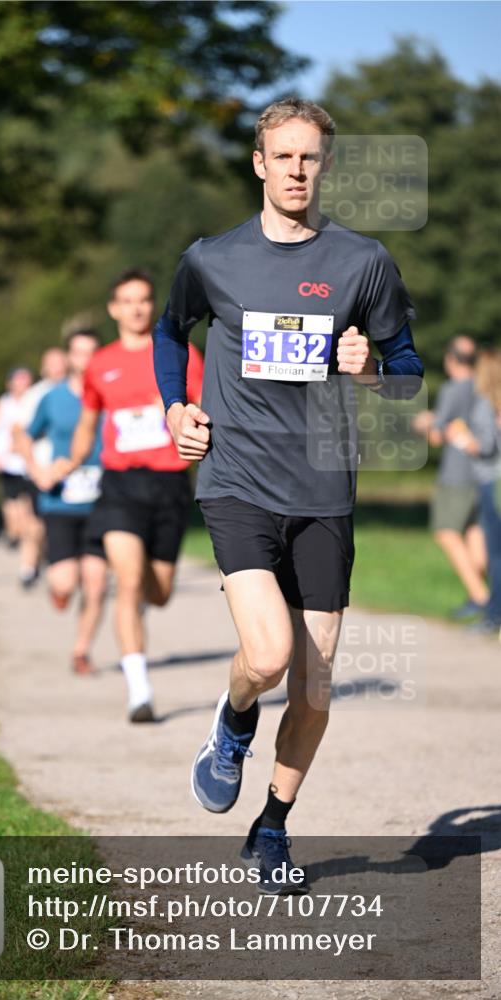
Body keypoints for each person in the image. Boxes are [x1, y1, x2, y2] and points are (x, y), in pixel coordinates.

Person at [154, 98, 424, 893]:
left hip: (323, 490)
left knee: (313, 682)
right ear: (259, 163)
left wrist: (370, 371)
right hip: (236, 480)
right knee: (268, 656)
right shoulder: (212, 258)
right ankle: (234, 719)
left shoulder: (362, 261)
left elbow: (408, 370)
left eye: (309, 157)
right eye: (283, 156)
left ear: (324, 166)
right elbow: (171, 331)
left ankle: (270, 827)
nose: (296, 170)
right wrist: (175, 407)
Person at [38, 269, 204, 722]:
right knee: (127, 581)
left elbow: (205, 409)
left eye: (143, 300)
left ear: (153, 305)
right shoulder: (100, 363)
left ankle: (144, 603)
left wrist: (174, 410)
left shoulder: (181, 354)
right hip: (119, 485)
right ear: (113, 308)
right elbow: (88, 424)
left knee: (159, 592)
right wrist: (70, 461)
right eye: (127, 301)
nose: (136, 308)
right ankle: (139, 692)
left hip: (169, 484)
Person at [18, 330, 107, 674]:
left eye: (92, 352)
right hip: (60, 502)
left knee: (96, 584)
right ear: (69, 357)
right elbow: (23, 436)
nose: (85, 359)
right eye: (79, 352)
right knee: (66, 581)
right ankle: (58, 586)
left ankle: (81, 651)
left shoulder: (110, 392)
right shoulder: (53, 398)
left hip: (103, 501)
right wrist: (37, 471)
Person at [413, 337, 488, 618]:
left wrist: (425, 422)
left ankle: (482, 597)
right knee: (473, 530)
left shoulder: (452, 388)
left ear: (451, 359)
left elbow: (436, 435)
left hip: (457, 473)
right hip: (484, 472)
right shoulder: (484, 386)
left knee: (446, 532)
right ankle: (479, 596)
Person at [444, 348, 501, 636]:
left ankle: (493, 614)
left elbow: (486, 446)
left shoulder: (486, 403)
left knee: (496, 553)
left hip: (492, 480)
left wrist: (462, 439)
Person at [0, 368, 43, 587]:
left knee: (31, 519)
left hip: (33, 467)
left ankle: (28, 567)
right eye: (19, 381)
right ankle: (22, 547)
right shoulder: (1, 405)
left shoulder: (38, 401)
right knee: (17, 519)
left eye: (27, 381)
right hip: (10, 468)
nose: (23, 385)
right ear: (10, 383)